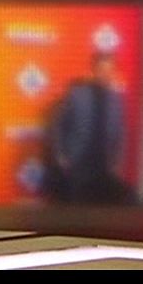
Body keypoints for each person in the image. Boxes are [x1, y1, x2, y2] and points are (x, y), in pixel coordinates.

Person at [42, 51, 132, 204]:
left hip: (104, 166)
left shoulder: (116, 99)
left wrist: (118, 163)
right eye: (102, 70)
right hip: (78, 163)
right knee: (77, 208)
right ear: (94, 71)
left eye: (110, 71)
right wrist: (61, 155)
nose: (106, 75)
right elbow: (58, 125)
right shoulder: (77, 94)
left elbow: (120, 134)